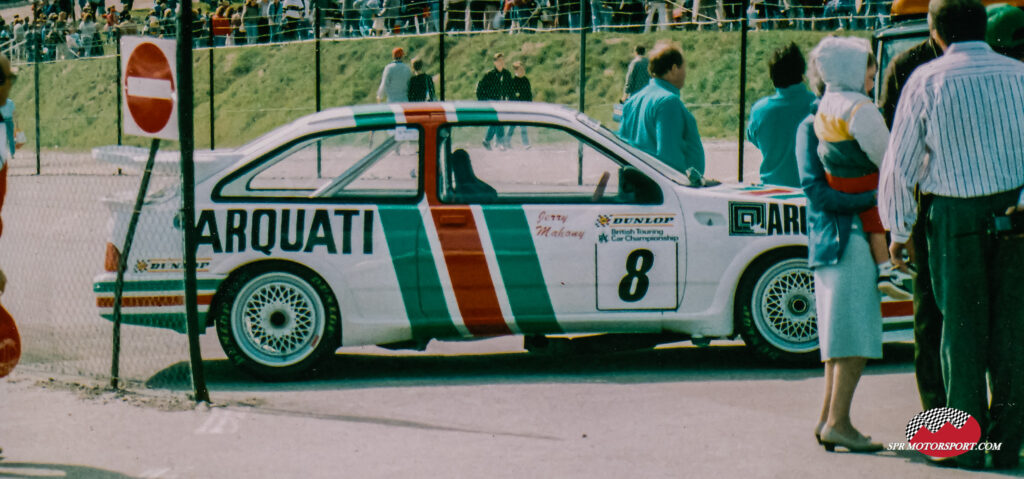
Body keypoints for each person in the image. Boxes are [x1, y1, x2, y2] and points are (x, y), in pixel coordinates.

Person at [879, 0, 1024, 469]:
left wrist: (898, 228)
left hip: (953, 217)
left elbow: (899, 165)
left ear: (935, 31)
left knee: (959, 330)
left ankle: (962, 444)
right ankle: (1006, 442)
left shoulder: (926, 79)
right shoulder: (1019, 76)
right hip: (1014, 214)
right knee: (1012, 330)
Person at [797, 48, 883, 454]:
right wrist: (871, 197)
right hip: (844, 239)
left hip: (831, 240)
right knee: (853, 338)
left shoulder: (818, 121)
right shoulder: (822, 123)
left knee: (839, 339)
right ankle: (839, 422)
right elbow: (816, 192)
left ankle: (828, 418)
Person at [811, 35, 911, 300]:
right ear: (852, 72)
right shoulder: (859, 107)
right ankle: (893, 268)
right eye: (868, 78)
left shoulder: (827, 102)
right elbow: (886, 155)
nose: (871, 85)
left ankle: (886, 269)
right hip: (866, 181)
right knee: (887, 219)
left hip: (839, 183)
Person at [876, 25, 943, 414]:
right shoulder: (906, 65)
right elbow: (893, 145)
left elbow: (893, 153)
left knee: (932, 316)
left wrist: (897, 228)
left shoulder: (907, 65)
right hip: (930, 204)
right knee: (935, 316)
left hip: (927, 205)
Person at [617, 43, 705, 176]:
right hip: (666, 191)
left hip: (640, 187)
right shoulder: (668, 102)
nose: (685, 74)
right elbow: (670, 160)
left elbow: (622, 149)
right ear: (674, 69)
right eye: (684, 68)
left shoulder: (632, 101)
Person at [746, 42, 815, 188]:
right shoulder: (818, 105)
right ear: (802, 74)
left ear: (773, 76)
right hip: (809, 190)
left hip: (772, 191)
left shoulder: (759, 110)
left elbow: (754, 139)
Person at [476, 52, 512, 150]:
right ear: (495, 63)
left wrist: (511, 100)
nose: (501, 63)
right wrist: (483, 101)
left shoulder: (507, 74)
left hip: (503, 102)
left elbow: (510, 89)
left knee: (498, 121)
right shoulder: (489, 75)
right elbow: (480, 89)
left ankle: (488, 141)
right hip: (491, 103)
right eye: (499, 61)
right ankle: (499, 142)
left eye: (502, 60)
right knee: (497, 121)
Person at [505, 60, 533, 149]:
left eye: (523, 69)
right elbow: (510, 96)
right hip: (515, 108)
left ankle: (525, 144)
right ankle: (508, 142)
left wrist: (530, 105)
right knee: (512, 127)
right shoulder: (513, 81)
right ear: (516, 71)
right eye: (520, 69)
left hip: (524, 108)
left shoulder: (526, 80)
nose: (522, 71)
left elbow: (529, 94)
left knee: (522, 127)